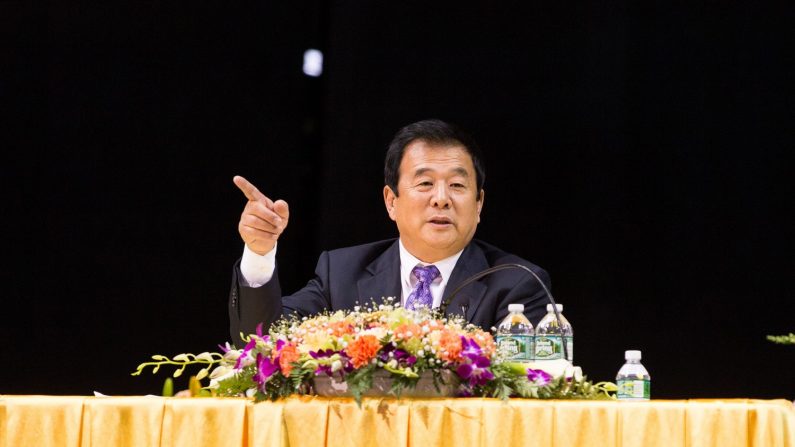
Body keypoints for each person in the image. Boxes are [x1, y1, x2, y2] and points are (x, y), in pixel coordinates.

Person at [228, 119, 551, 344]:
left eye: (456, 185)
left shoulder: (516, 285)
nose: (441, 199)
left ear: (479, 203)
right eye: (425, 184)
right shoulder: (342, 274)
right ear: (391, 201)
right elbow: (262, 341)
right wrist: (259, 251)